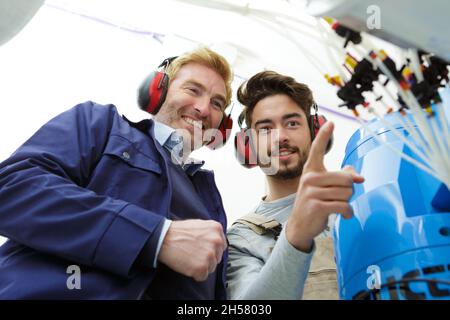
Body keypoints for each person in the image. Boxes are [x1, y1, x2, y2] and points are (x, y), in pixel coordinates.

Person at [0, 46, 233, 299]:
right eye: (192, 90)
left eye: (217, 103)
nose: (203, 108)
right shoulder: (101, 123)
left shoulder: (209, 200)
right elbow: (12, 188)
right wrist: (155, 238)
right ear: (157, 91)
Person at [226, 71, 365, 299]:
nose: (280, 136)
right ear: (248, 146)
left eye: (292, 123)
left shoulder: (357, 198)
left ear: (313, 132)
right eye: (265, 129)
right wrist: (296, 234)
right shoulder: (242, 238)